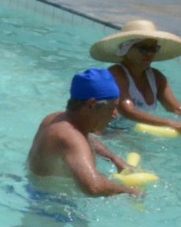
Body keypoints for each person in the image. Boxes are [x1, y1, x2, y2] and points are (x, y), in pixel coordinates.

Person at [26, 69, 140, 198]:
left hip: (36, 193)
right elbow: (94, 187)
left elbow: (85, 138)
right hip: (54, 209)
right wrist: (131, 192)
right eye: (112, 107)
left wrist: (115, 160)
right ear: (91, 104)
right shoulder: (70, 137)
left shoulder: (56, 119)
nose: (115, 115)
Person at [92, 20, 181, 135]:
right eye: (143, 48)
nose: (149, 53)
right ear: (126, 49)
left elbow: (176, 109)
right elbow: (128, 111)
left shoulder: (157, 77)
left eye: (153, 49)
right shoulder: (116, 73)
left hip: (135, 132)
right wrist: (171, 123)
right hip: (109, 132)